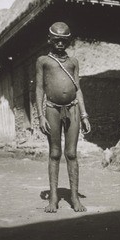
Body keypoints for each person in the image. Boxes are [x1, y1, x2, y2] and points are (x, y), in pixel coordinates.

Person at [35, 22, 91, 213]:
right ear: (49, 39)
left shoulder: (73, 62)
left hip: (73, 108)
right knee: (55, 153)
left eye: (64, 40)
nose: (60, 43)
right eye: (56, 39)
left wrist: (84, 115)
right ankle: (53, 198)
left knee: (72, 153)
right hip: (52, 109)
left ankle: (74, 198)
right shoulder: (43, 61)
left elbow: (78, 89)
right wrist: (40, 115)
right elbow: (39, 89)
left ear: (68, 41)